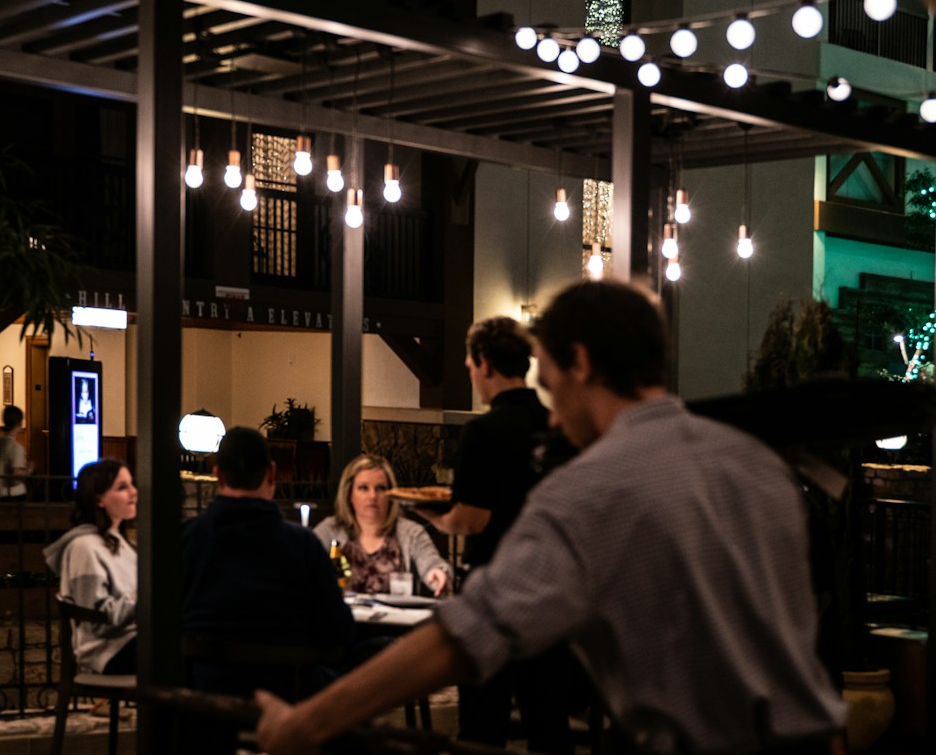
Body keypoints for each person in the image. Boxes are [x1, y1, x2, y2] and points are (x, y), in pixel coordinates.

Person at [257, 279, 847, 755]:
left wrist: (308, 723)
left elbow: (466, 637)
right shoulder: (754, 463)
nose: (554, 415)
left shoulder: (590, 490)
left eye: (549, 375)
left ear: (582, 362)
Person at [413, 316, 572, 752]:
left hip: (495, 593)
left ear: (484, 364)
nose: (471, 374)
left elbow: (472, 519)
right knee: (549, 725)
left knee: (483, 727)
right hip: (551, 591)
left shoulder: (483, 431)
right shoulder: (556, 426)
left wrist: (428, 512)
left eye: (469, 365)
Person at [181, 426, 353, 753]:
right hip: (290, 694)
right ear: (272, 472)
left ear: (217, 475)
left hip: (203, 695)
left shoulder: (187, 539)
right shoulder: (302, 545)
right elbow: (339, 631)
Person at [42, 459, 138, 675]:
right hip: (109, 651)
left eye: (132, 484)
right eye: (123, 487)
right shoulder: (84, 547)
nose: (134, 492)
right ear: (99, 499)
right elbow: (96, 619)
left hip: (133, 640)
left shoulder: (120, 542)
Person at [312, 454, 450, 598]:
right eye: (364, 488)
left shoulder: (410, 532)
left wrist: (438, 573)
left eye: (380, 488)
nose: (373, 496)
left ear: (391, 494)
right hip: (342, 619)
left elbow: (432, 563)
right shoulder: (331, 529)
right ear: (349, 494)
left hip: (396, 619)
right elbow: (302, 561)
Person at [0, 404, 32, 501]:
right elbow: (15, 477)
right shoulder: (16, 447)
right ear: (20, 423)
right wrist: (28, 471)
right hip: (13, 495)